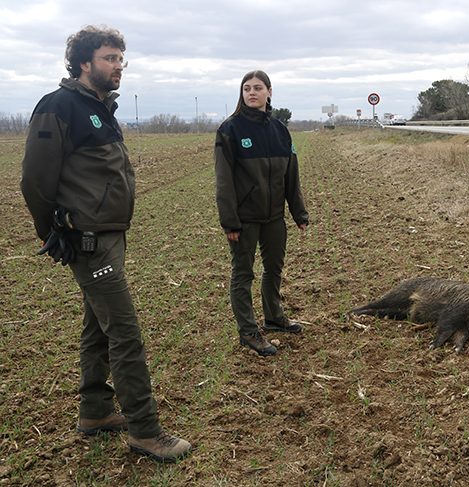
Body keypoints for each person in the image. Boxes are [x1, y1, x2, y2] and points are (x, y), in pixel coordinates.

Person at [20, 25, 191, 461]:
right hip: (88, 241)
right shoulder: (59, 106)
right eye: (110, 58)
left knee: (98, 328)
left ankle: (95, 411)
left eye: (121, 59)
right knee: (126, 333)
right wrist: (54, 232)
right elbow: (35, 181)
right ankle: (145, 430)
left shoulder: (101, 108)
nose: (119, 66)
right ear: (83, 62)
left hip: (109, 235)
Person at [214, 70, 309, 356]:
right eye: (246, 89)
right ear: (241, 94)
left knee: (274, 269)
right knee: (243, 274)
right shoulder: (229, 130)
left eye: (257, 88)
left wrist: (299, 213)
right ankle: (248, 331)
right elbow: (224, 181)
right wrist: (230, 221)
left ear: (269, 92)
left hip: (274, 217)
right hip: (244, 219)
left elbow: (292, 174)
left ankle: (274, 316)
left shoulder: (280, 130)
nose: (251, 93)